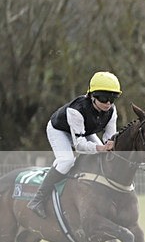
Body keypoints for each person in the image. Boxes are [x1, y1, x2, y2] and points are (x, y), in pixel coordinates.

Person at [27, 71, 120, 218]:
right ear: (92, 96)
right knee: (67, 161)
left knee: (103, 156)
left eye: (113, 98)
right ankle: (37, 199)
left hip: (85, 131)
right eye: (103, 98)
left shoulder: (112, 111)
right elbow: (80, 145)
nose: (108, 103)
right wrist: (101, 147)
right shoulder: (76, 110)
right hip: (59, 130)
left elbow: (110, 138)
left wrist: (110, 146)